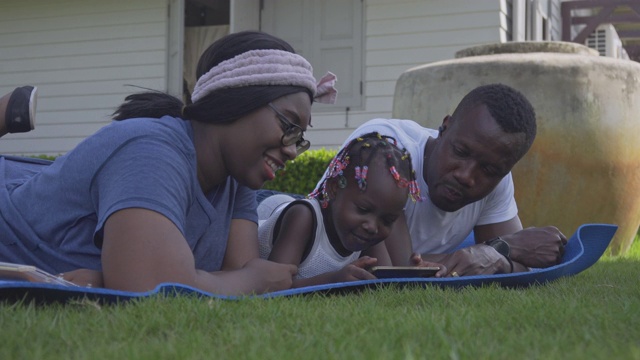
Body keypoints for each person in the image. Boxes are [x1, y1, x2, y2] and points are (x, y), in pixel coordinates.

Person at [0, 31, 339, 295]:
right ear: (237, 101)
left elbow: (235, 272)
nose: (293, 150)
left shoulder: (236, 180)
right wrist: (248, 280)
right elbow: (154, 286)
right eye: (288, 126)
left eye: (300, 138)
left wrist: (110, 278)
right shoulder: (149, 149)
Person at [312, 83, 567, 277]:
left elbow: (520, 266)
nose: (466, 176)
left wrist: (496, 253)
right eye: (461, 152)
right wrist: (496, 251)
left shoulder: (498, 178)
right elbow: (396, 272)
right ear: (444, 127)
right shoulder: (385, 150)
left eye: (489, 170)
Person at [257, 132, 446, 287]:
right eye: (363, 209)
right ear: (333, 188)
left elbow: (382, 283)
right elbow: (273, 286)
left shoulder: (368, 233)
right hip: (266, 210)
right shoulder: (303, 218)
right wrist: (333, 281)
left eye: (387, 220)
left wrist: (414, 274)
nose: (373, 226)